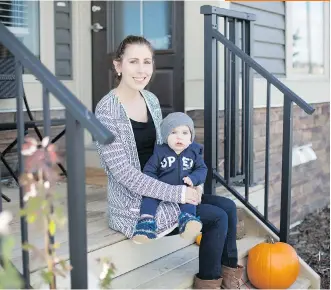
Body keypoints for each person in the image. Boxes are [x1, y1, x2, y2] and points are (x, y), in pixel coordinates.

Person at [95, 35, 244, 289]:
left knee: (228, 206)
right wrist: (179, 193)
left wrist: (192, 181)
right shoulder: (106, 111)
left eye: (147, 62)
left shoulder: (150, 100)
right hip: (135, 204)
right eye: (133, 62)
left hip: (165, 187)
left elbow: (168, 149)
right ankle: (208, 283)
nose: (142, 70)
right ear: (118, 66)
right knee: (217, 217)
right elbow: (124, 175)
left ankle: (231, 280)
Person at [132, 112, 207, 244]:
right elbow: (149, 170)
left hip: (184, 189)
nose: (179, 137)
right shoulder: (160, 152)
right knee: (149, 198)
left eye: (185, 133)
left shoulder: (194, 152)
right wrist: (155, 184)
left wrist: (194, 179)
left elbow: (202, 169)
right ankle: (146, 224)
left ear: (191, 137)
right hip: (161, 189)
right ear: (166, 136)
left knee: (190, 199)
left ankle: (188, 222)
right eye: (173, 132)